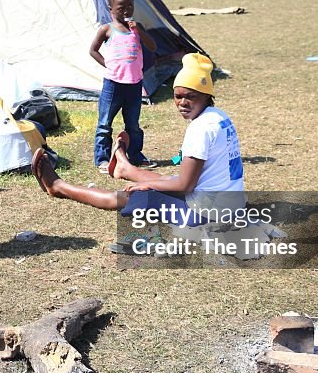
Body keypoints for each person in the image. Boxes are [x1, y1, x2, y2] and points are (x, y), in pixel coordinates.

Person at [31, 53, 245, 250]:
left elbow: (184, 185)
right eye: (177, 96)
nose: (182, 103)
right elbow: (189, 181)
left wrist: (146, 185)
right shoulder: (219, 117)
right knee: (165, 180)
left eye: (190, 96)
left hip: (206, 216)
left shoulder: (200, 129)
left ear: (206, 96)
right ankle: (125, 168)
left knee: (133, 195)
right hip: (231, 206)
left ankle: (59, 187)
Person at [90, 0, 158, 173]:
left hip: (134, 84)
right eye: (121, 7)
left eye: (130, 6)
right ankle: (102, 159)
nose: (126, 11)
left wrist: (140, 31)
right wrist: (108, 65)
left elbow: (152, 46)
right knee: (105, 123)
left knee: (133, 125)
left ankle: (135, 155)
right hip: (113, 85)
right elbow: (93, 50)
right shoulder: (107, 30)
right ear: (111, 9)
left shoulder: (137, 29)